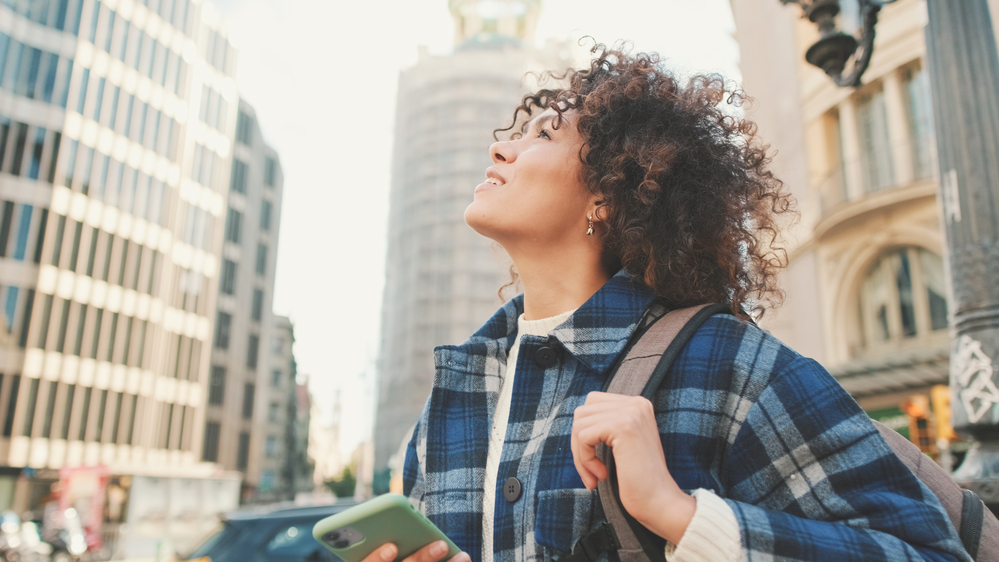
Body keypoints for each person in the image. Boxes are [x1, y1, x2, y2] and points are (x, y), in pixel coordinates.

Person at [364, 44, 971, 562]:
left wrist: (681, 517)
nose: (500, 151)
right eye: (513, 136)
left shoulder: (728, 364)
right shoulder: (459, 392)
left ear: (604, 196)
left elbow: (926, 550)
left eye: (543, 135)